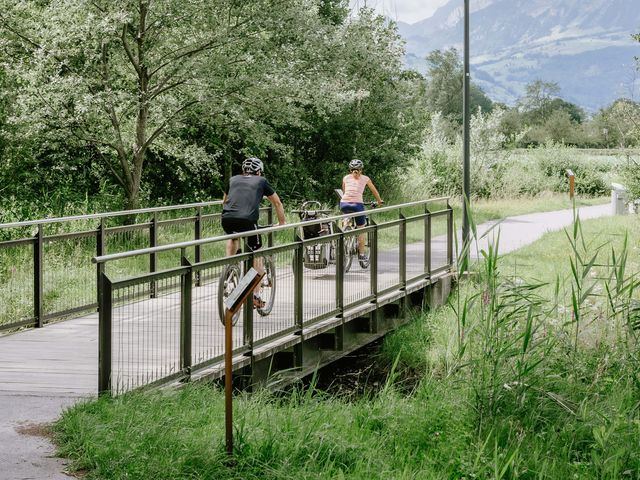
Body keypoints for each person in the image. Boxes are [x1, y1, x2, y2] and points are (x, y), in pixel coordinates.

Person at [222, 156, 285, 307]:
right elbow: (277, 202)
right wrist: (282, 222)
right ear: (259, 172)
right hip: (248, 221)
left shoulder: (232, 179)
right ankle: (255, 295)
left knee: (233, 237)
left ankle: (229, 270)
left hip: (227, 218)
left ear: (243, 170)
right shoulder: (262, 181)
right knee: (257, 254)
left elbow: (224, 201)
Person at [340, 158, 383, 266]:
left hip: (344, 203)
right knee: (361, 229)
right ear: (361, 170)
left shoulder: (345, 178)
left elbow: (345, 191)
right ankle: (362, 254)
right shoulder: (365, 178)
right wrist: (379, 201)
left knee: (346, 219)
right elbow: (374, 190)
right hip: (357, 205)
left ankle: (345, 232)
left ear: (350, 170)